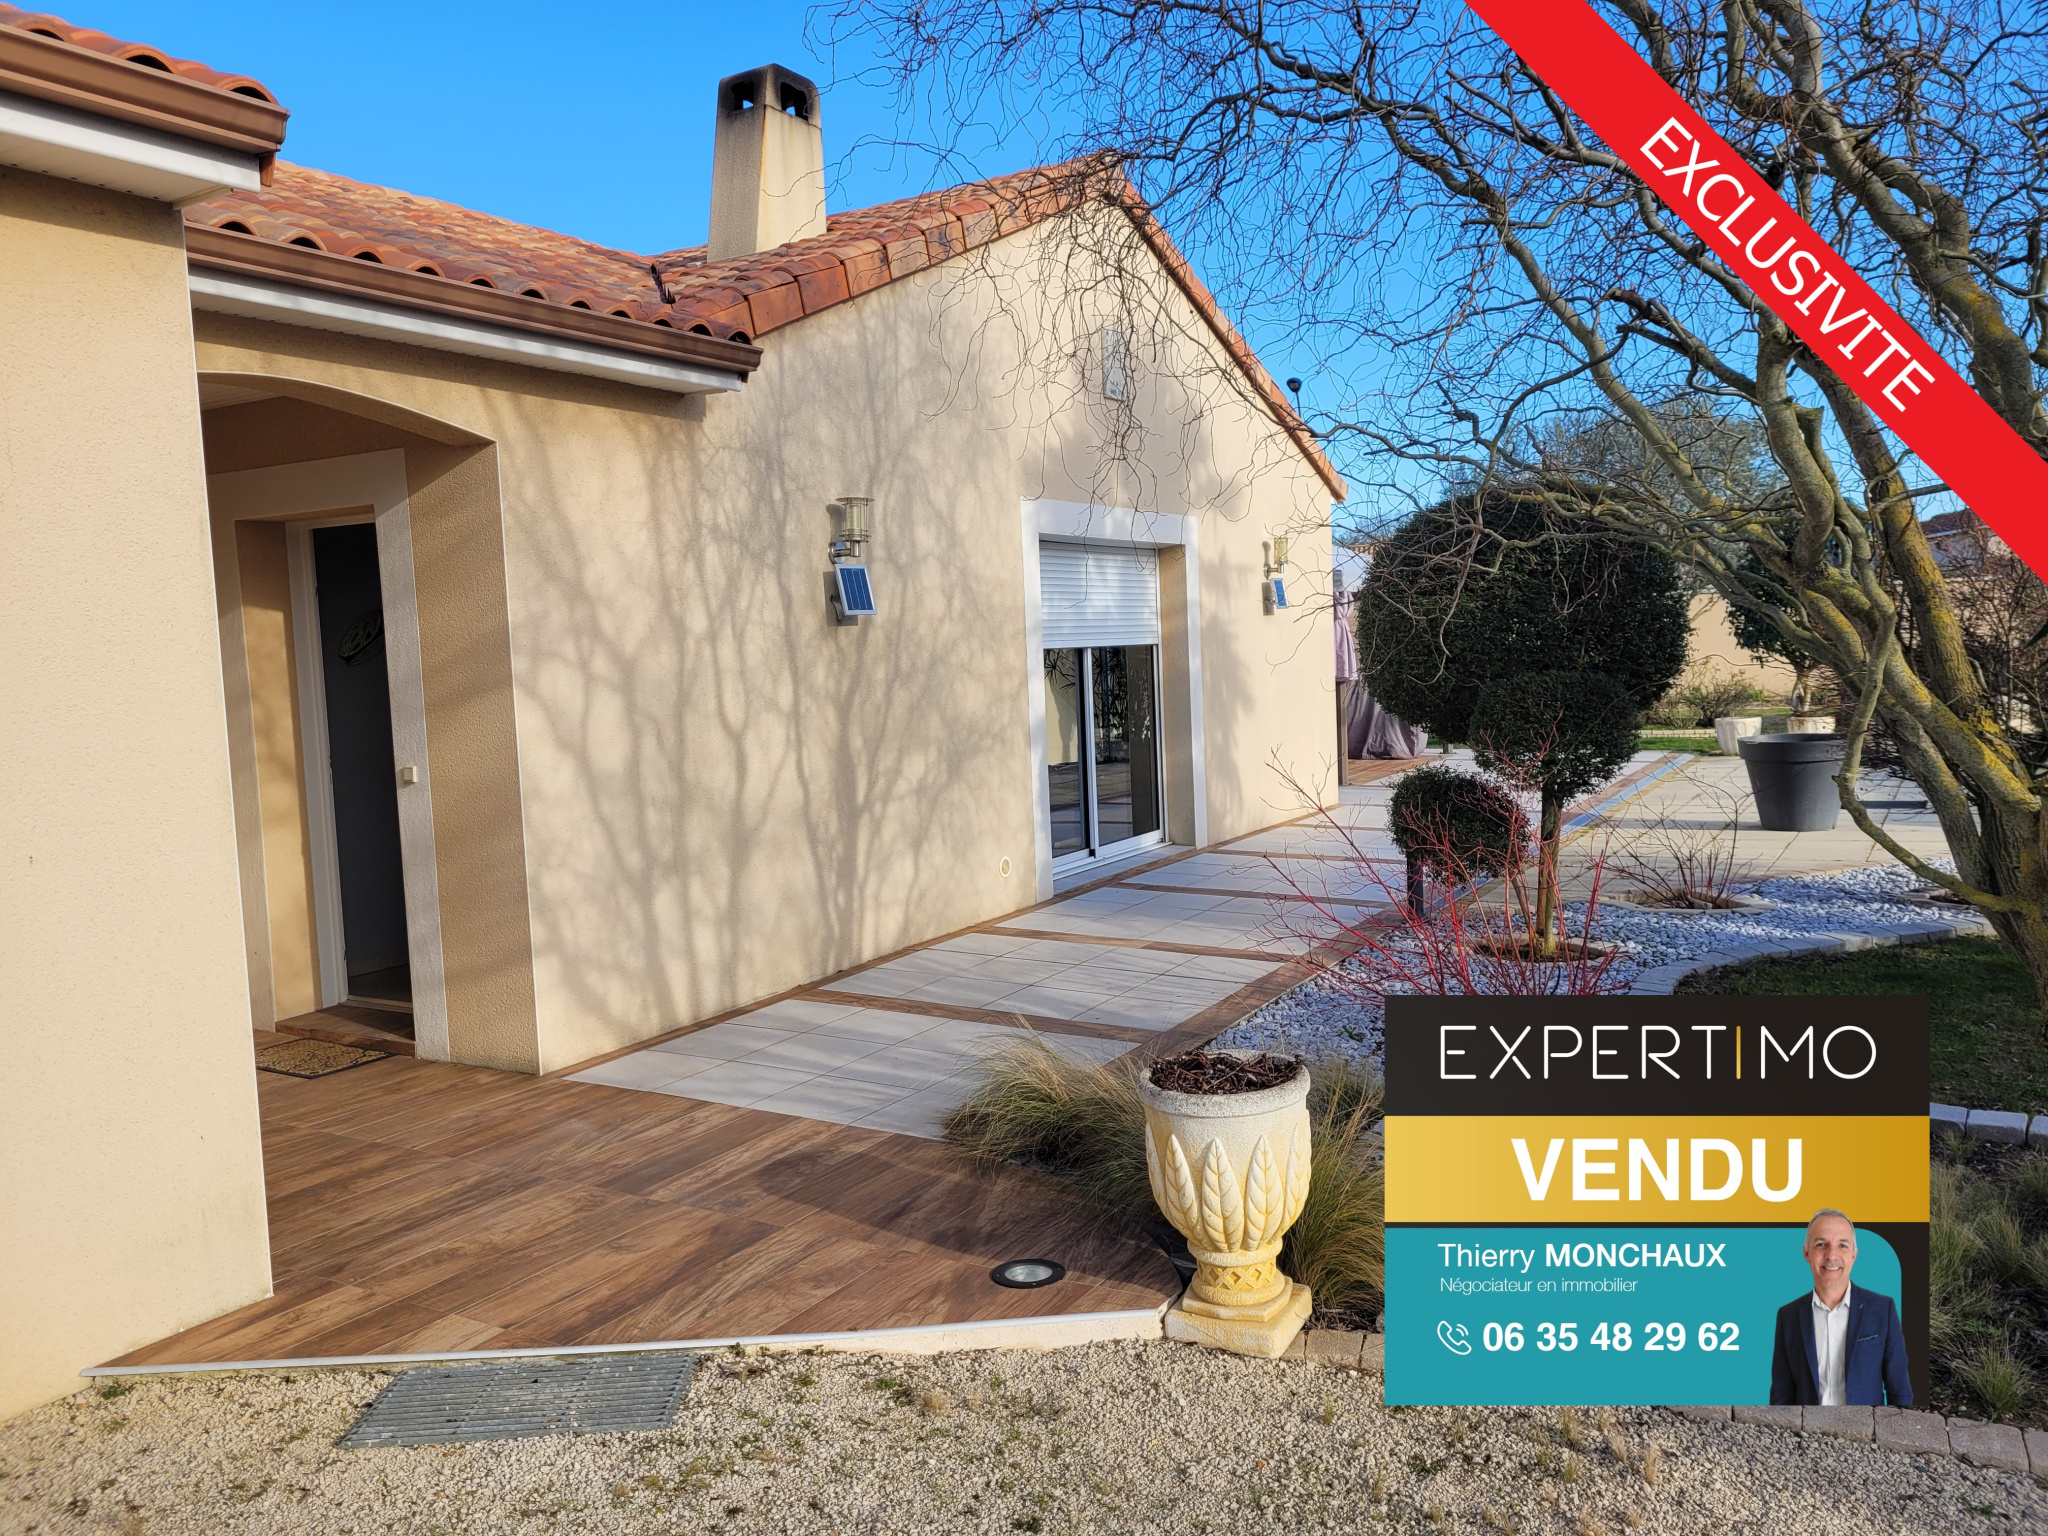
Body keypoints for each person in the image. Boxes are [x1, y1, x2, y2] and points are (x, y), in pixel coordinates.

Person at [1769, 1209, 1912, 1407]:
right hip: (1808, 1425)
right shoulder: (1788, 1316)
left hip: (1865, 1425)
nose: (1831, 1255)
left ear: (1854, 1254)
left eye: (1842, 1245)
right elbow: (1781, 1393)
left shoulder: (1882, 1309)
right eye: (1821, 1244)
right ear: (1806, 1253)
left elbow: (1900, 1390)